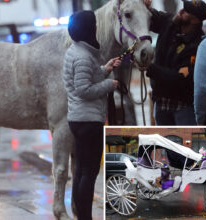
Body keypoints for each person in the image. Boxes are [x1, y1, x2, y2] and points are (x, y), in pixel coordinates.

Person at [62, 10, 121, 220]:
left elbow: (86, 78)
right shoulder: (83, 56)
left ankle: (82, 216)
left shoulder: (78, 51)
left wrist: (105, 69)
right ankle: (85, 216)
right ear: (90, 29)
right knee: (88, 171)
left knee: (81, 171)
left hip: (79, 119)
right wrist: (109, 84)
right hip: (88, 121)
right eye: (94, 24)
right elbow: (84, 90)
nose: (97, 27)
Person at [143, 0, 206, 125]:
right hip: (161, 102)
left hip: (183, 106)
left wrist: (150, 68)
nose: (181, 10)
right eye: (183, 7)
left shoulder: (198, 45)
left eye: (186, 11)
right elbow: (151, 16)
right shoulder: (170, 22)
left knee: (183, 143)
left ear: (195, 21)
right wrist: (145, 6)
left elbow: (180, 78)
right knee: (163, 143)